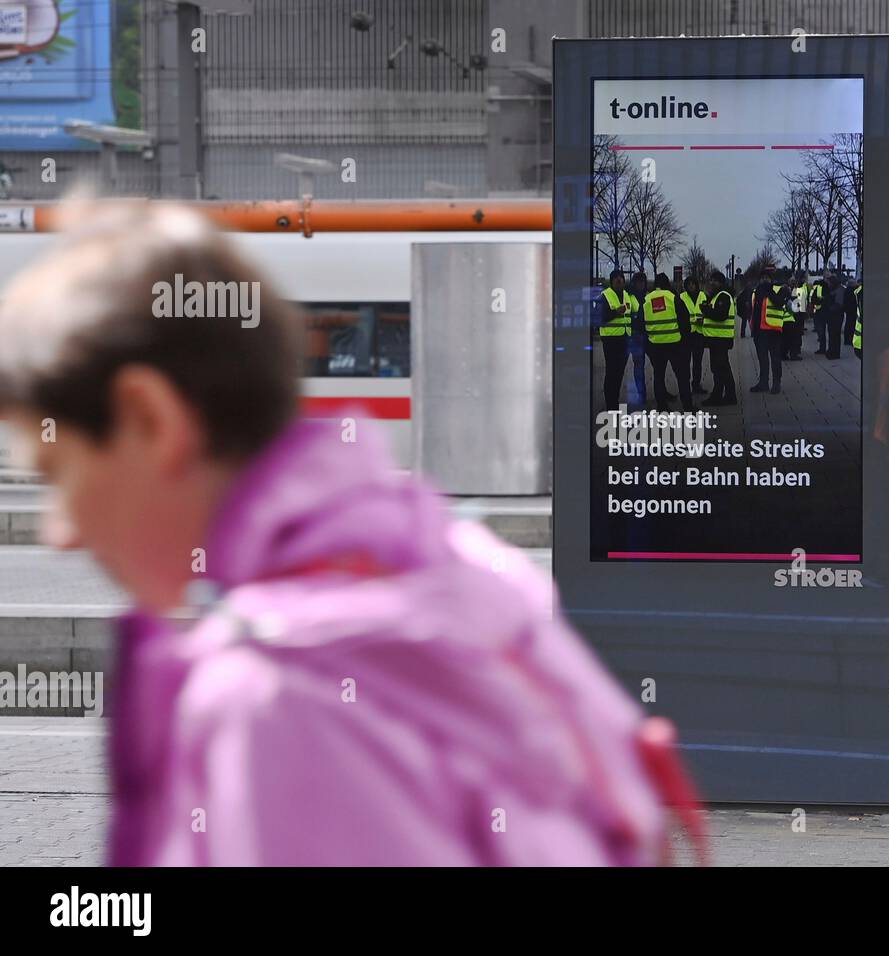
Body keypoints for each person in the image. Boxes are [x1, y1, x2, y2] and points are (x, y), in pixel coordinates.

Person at [0, 199, 698, 866]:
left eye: (58, 469)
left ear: (150, 420)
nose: (60, 533)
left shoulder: (275, 697)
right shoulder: (461, 564)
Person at [643, 273, 695, 412]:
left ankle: (662, 407)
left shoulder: (647, 299)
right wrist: (685, 341)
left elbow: (641, 323)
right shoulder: (673, 298)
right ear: (667, 284)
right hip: (675, 344)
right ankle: (688, 407)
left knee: (658, 376)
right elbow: (685, 321)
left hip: (655, 345)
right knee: (682, 377)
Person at [597, 269, 635, 409]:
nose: (619, 281)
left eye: (621, 278)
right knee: (611, 372)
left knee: (619, 373)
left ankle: (615, 401)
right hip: (611, 340)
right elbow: (598, 317)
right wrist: (615, 312)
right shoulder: (604, 296)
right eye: (616, 279)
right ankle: (611, 404)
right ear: (612, 281)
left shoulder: (626, 295)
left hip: (624, 339)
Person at [750, 264, 790, 394]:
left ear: (771, 279)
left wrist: (769, 291)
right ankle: (763, 383)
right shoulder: (757, 291)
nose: (764, 280)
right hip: (759, 330)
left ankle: (776, 383)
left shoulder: (778, 289)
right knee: (762, 358)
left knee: (775, 358)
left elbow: (779, 302)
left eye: (767, 278)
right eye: (762, 278)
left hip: (773, 329)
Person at [701, 270, 738, 405]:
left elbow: (721, 315)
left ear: (720, 283)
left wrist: (705, 310)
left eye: (714, 281)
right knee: (720, 368)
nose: (711, 283)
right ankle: (725, 395)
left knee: (721, 369)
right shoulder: (717, 296)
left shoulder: (723, 296)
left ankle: (723, 396)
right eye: (711, 280)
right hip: (716, 339)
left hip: (720, 339)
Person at [680, 275, 709, 396]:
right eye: (689, 284)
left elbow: (708, 311)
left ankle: (696, 384)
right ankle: (685, 385)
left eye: (693, 283)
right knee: (685, 362)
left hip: (699, 333)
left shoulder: (703, 296)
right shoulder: (681, 297)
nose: (691, 286)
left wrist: (704, 320)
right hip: (687, 334)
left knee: (698, 362)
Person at [628, 271, 652, 405]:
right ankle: (641, 394)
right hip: (636, 336)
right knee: (639, 366)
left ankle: (662, 391)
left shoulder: (649, 296)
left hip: (649, 334)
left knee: (659, 365)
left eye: (643, 281)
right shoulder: (629, 297)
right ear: (634, 283)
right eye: (638, 281)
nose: (641, 284)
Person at [784, 269, 808, 361]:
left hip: (792, 318)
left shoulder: (787, 291)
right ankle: (794, 353)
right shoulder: (797, 291)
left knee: (793, 337)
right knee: (795, 337)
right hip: (794, 317)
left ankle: (791, 352)